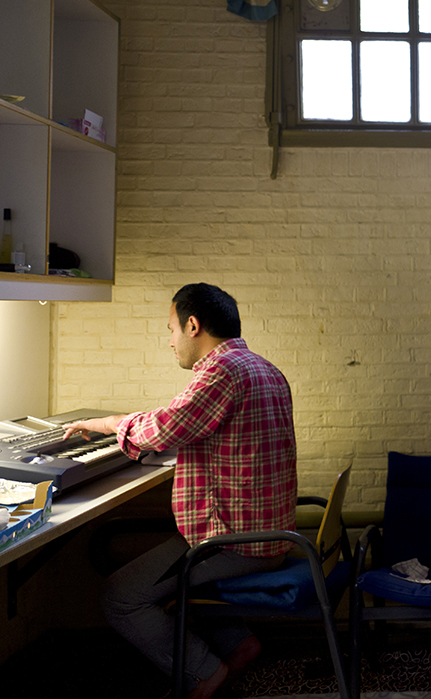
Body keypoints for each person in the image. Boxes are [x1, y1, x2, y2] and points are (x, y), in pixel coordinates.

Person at [62, 283, 297, 699]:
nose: (169, 341)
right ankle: (238, 643)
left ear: (192, 325)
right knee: (171, 567)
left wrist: (102, 424)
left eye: (170, 329)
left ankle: (203, 673)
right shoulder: (263, 367)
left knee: (120, 596)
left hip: (234, 542)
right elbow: (188, 425)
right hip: (264, 532)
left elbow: (160, 428)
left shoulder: (223, 371)